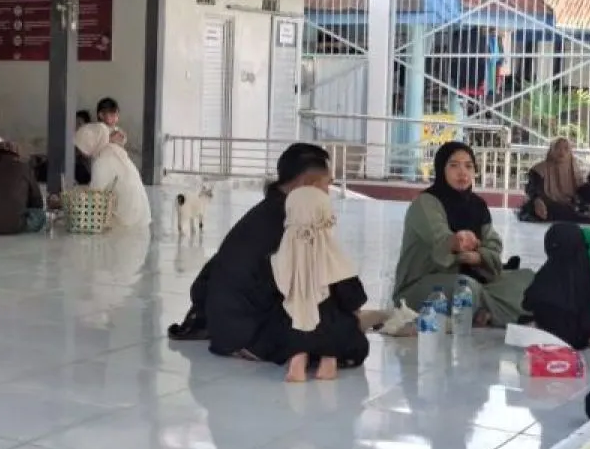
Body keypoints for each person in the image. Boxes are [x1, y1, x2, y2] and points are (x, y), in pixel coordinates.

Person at [169, 142, 331, 342]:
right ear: (308, 183)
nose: (328, 193)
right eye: (327, 184)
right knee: (344, 337)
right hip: (242, 326)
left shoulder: (270, 210)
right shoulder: (291, 220)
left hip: (219, 312)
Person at [394, 141, 534, 327]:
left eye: (468, 166)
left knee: (527, 279)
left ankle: (483, 311)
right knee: (466, 289)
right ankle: (495, 312)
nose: (462, 172)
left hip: (474, 277)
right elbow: (440, 241)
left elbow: (492, 244)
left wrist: (479, 256)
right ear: (441, 169)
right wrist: (456, 242)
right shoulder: (425, 203)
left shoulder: (477, 205)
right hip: (421, 283)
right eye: (454, 166)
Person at [269, 186, 370, 381]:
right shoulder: (333, 258)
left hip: (287, 338)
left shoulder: (279, 259)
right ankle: (328, 359)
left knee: (291, 316)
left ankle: (298, 357)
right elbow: (353, 299)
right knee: (345, 328)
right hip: (330, 335)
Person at [522, 223, 590, 351]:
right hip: (582, 333)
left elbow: (527, 303)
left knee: (526, 321)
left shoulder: (547, 273)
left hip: (550, 332)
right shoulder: (584, 271)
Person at [73, 122, 151, 229]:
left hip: (127, 222)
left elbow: (93, 196)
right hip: (141, 217)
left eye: (82, 147)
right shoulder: (114, 151)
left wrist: (70, 199)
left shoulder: (103, 161)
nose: (80, 152)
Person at [518, 137, 590, 223]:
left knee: (579, 212)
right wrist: (537, 200)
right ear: (551, 150)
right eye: (557, 148)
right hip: (545, 205)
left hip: (568, 205)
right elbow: (531, 188)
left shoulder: (574, 170)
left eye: (566, 148)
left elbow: (584, 189)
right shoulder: (539, 169)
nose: (561, 151)